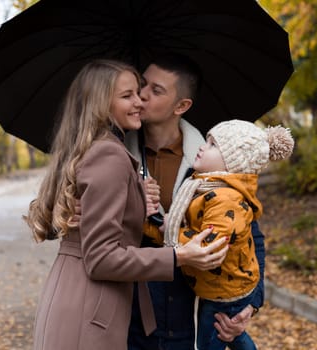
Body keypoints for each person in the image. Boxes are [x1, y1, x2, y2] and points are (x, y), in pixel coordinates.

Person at [24, 59, 228, 350]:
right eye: (127, 95)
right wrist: (180, 256)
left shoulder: (95, 148)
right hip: (91, 307)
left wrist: (134, 200)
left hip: (84, 299)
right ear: (101, 104)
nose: (139, 101)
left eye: (141, 91)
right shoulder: (110, 154)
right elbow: (102, 258)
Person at [123, 54, 268, 349]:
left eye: (156, 90)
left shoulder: (214, 166)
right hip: (127, 312)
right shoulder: (114, 154)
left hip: (183, 315)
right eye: (141, 85)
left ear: (182, 106)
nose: (142, 95)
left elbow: (251, 237)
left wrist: (249, 305)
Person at [158, 119, 294, 350]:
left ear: (232, 163)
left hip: (224, 288)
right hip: (215, 285)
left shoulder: (225, 199)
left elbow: (212, 245)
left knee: (213, 338)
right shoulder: (203, 185)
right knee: (229, 335)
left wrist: (171, 228)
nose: (203, 146)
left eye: (212, 144)